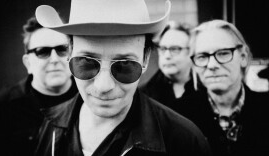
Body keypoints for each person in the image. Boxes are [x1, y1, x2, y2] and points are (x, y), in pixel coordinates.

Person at [33, 0, 212, 155]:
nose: (104, 86)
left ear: (145, 58)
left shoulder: (183, 141)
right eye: (86, 63)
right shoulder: (51, 125)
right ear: (69, 54)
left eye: (124, 65)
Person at [0, 16, 78, 156]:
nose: (54, 59)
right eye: (42, 51)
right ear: (27, 63)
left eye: (62, 49)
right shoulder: (1, 109)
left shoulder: (91, 99)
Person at [188, 19, 269, 156]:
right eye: (202, 56)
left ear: (243, 57)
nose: (212, 64)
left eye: (223, 53)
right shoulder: (180, 117)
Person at [139, 21, 197, 114]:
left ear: (191, 52)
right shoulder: (143, 95)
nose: (167, 55)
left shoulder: (206, 90)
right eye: (163, 49)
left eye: (174, 49)